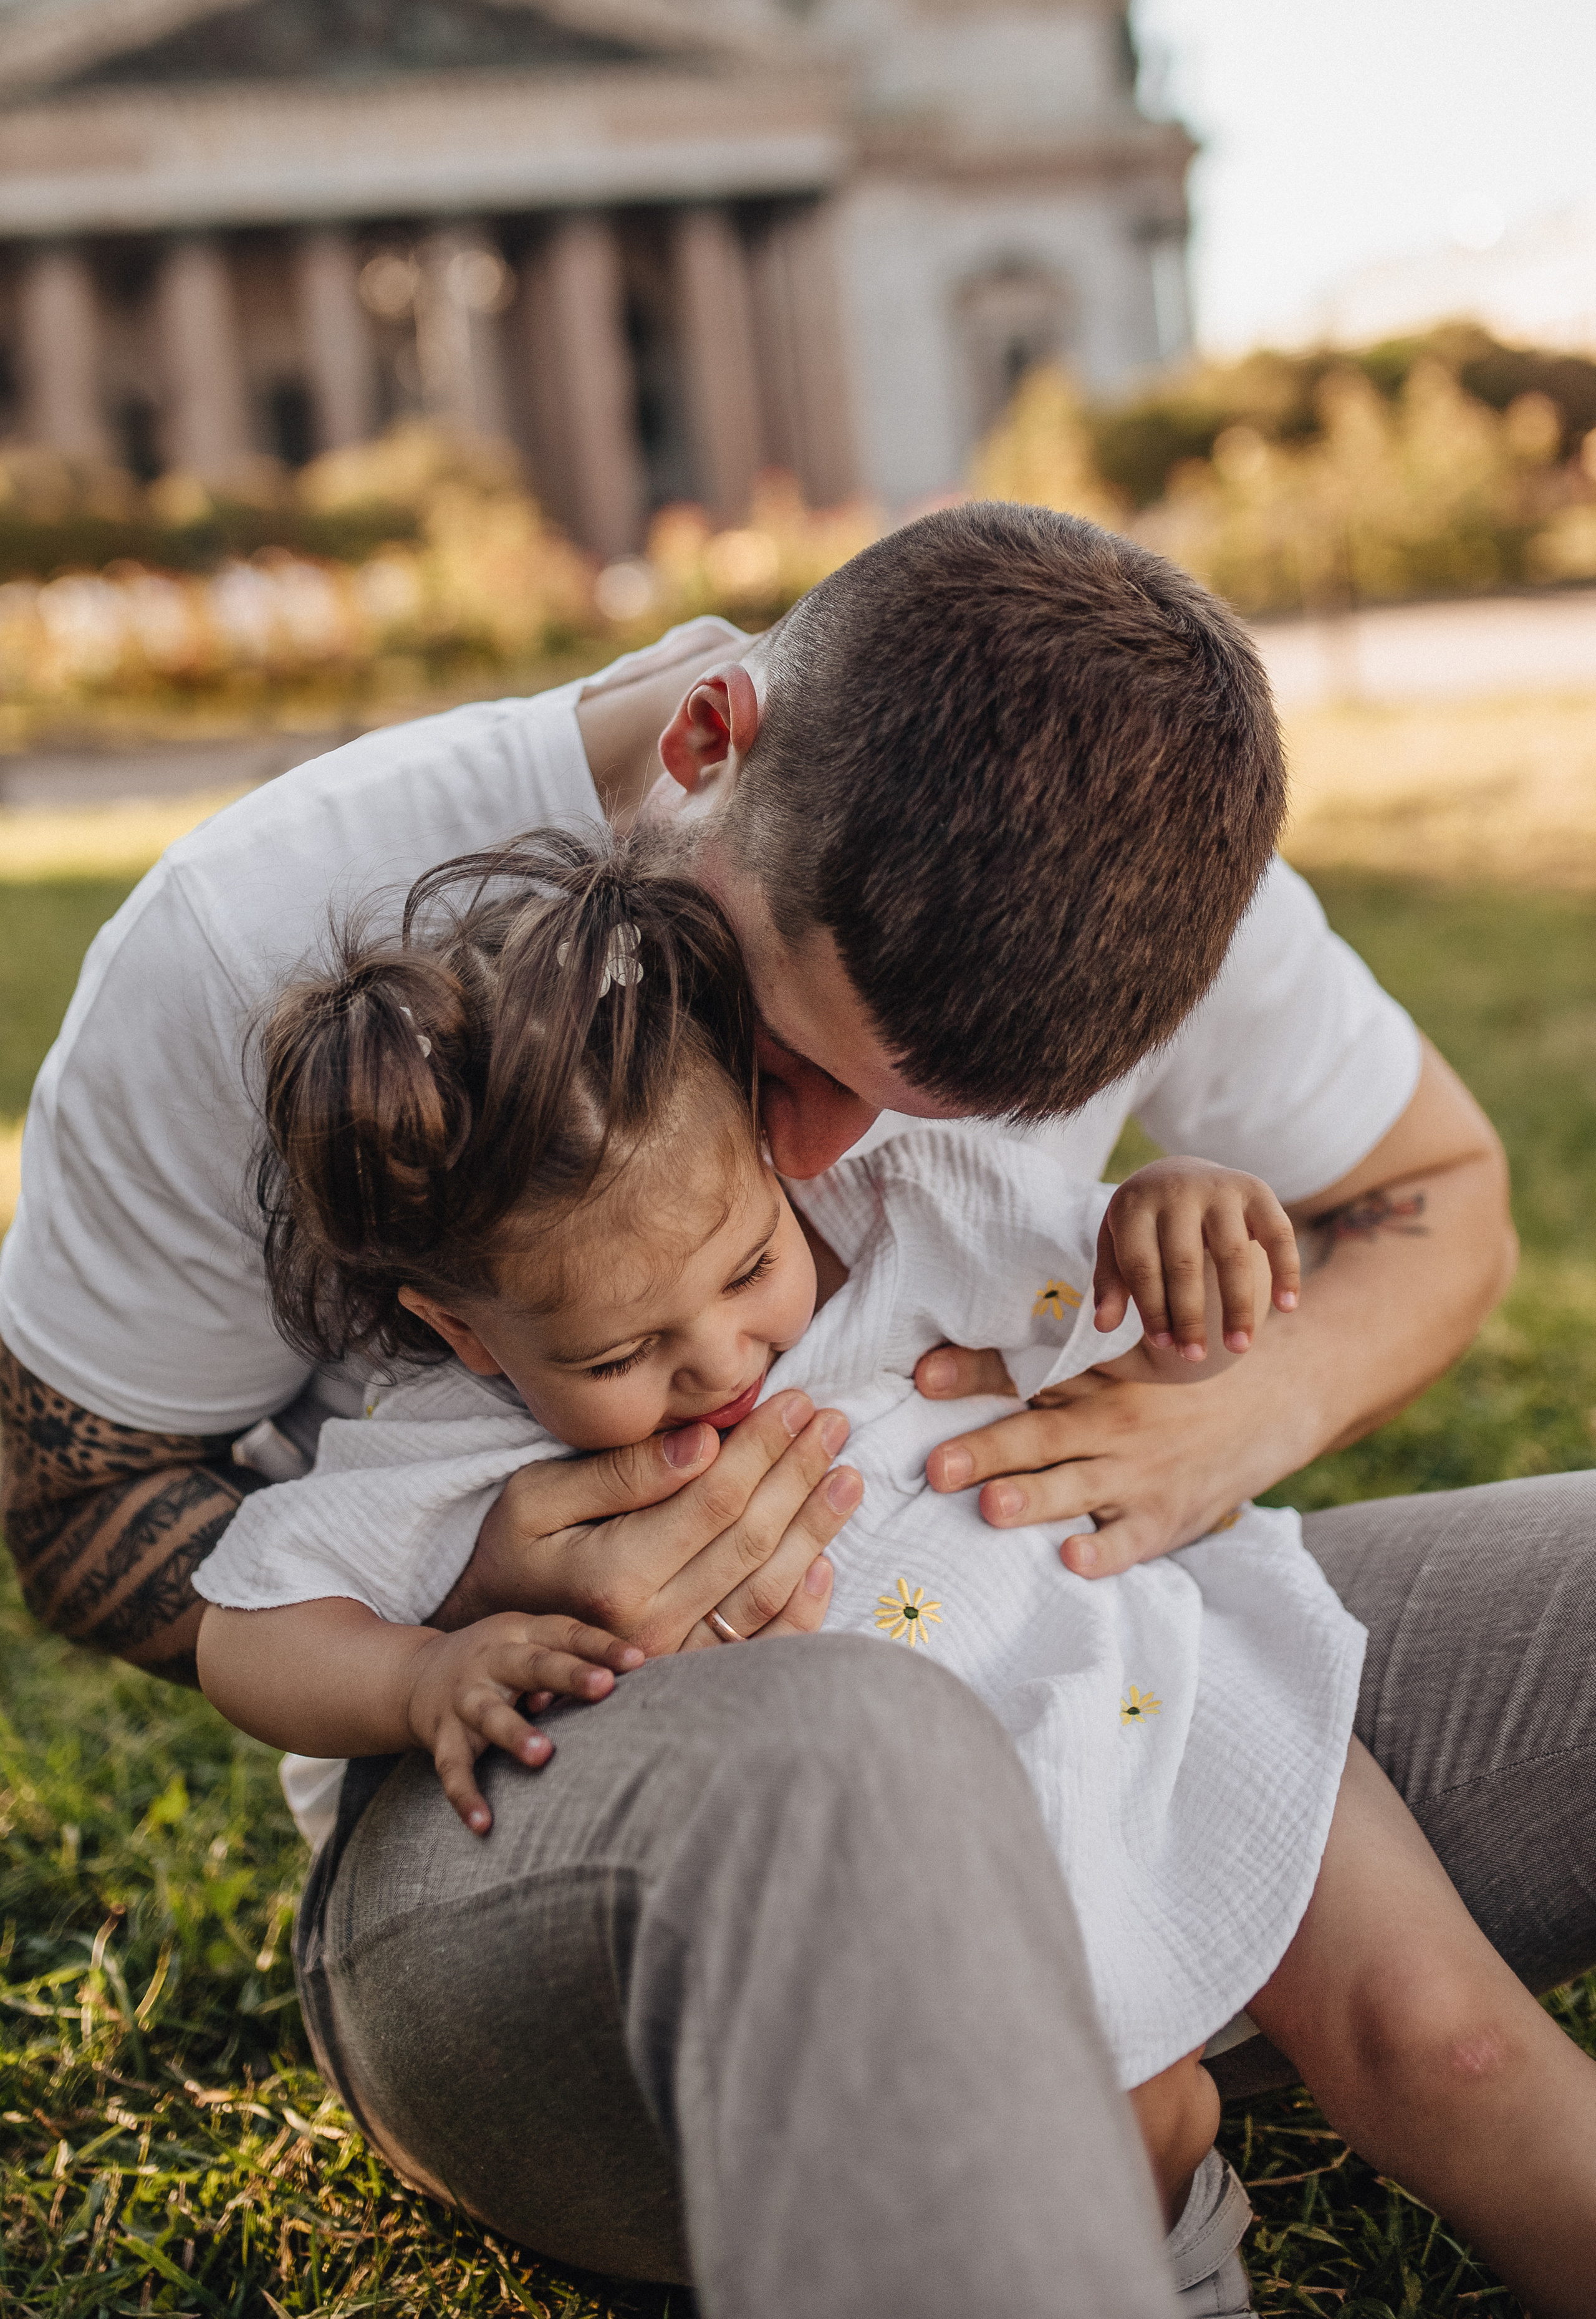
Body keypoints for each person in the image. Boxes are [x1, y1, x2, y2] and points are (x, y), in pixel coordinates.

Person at [0, 503, 1589, 2318]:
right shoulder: (252, 938)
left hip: (1097, 1679)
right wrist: (479, 1590)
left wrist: (1220, 1421)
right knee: (863, 1745)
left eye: (936, 1120)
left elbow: (1438, 1192)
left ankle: (1102, 2067)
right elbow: (76, 1503)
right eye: (784, 1056)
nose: (816, 1170)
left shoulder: (1125, 854)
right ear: (706, 742)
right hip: (573, 1846)